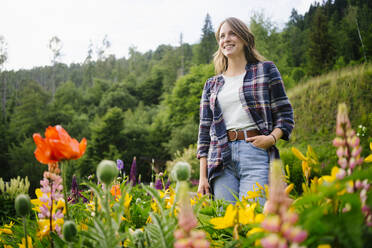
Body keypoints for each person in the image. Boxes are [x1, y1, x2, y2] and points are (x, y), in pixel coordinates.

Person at [196, 17, 294, 204]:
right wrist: (202, 176)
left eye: (232, 33)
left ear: (244, 38)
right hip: (220, 159)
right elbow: (204, 133)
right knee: (226, 226)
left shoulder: (265, 70)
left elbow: (285, 115)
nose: (226, 39)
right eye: (222, 36)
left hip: (255, 152)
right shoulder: (212, 84)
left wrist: (271, 138)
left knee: (254, 219)